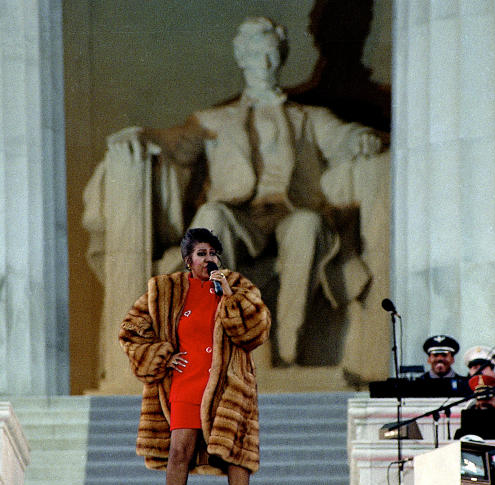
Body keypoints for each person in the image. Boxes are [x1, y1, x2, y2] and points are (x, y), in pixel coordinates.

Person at [104, 17, 383, 368]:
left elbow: (343, 136)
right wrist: (142, 136)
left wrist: (361, 139)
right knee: (211, 217)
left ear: (280, 58)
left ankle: (289, 343)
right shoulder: (212, 120)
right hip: (239, 217)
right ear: (241, 58)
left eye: (270, 54)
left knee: (308, 225)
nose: (263, 65)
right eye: (255, 55)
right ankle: (215, 331)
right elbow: (177, 142)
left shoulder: (308, 118)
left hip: (290, 212)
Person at [120, 228, 271, 485]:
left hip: (228, 384)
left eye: (213, 253)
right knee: (178, 452)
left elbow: (255, 331)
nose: (208, 259)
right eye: (202, 254)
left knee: (236, 454)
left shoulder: (238, 286)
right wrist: (161, 354)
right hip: (186, 382)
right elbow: (130, 329)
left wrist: (228, 295)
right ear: (188, 259)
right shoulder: (165, 290)